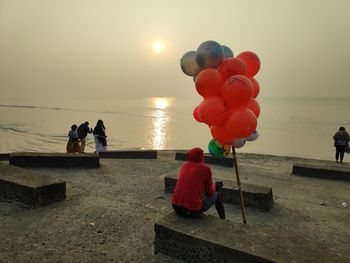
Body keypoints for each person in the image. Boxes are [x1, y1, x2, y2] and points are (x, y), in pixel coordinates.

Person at [171, 147, 225, 219]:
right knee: (217, 195)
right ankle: (223, 220)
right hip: (192, 211)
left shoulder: (184, 165)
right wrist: (215, 186)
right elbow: (210, 193)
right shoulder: (206, 169)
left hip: (176, 207)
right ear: (202, 157)